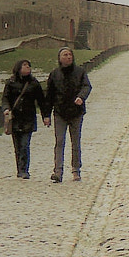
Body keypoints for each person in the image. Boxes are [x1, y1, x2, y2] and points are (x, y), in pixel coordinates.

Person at [44, 46, 92, 182]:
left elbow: (87, 86)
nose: (68, 57)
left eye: (70, 55)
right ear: (60, 58)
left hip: (76, 112)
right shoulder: (54, 74)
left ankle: (76, 169)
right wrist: (46, 115)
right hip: (60, 112)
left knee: (75, 142)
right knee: (59, 141)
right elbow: (49, 95)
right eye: (65, 55)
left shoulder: (80, 72)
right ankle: (58, 171)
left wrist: (81, 97)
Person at [1, 59, 48, 179]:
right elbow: (5, 98)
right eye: (25, 65)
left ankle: (24, 169)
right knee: (17, 146)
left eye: (29, 66)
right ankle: (20, 169)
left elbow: (41, 101)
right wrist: (6, 109)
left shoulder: (34, 83)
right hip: (15, 118)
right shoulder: (11, 83)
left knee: (25, 144)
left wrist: (45, 116)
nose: (27, 67)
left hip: (28, 118)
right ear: (18, 68)